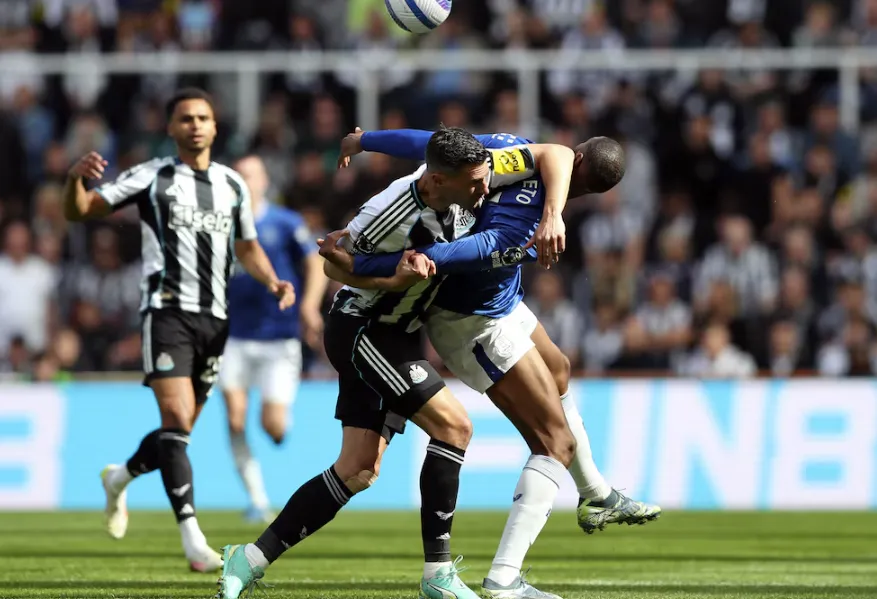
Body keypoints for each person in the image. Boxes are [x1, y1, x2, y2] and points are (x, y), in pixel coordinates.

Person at [215, 127, 578, 599]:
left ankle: (249, 558)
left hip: (400, 335)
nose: (483, 189)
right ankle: (438, 576)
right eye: (473, 184)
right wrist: (391, 281)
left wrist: (364, 139)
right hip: (364, 330)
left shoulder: (477, 168)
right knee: (454, 428)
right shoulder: (389, 214)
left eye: (484, 176)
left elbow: (554, 153)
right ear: (436, 182)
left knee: (357, 469)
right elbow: (333, 265)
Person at [320, 127, 661, 598]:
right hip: (473, 322)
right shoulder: (517, 221)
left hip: (502, 302)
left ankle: (596, 494)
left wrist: (365, 141)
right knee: (554, 442)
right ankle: (503, 579)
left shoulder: (508, 155)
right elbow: (440, 253)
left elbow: (434, 143)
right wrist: (361, 264)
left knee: (558, 368)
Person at [62, 87, 296, 572]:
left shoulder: (232, 184)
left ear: (214, 127)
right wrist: (73, 181)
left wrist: (273, 280)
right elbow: (80, 210)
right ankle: (192, 539)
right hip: (166, 313)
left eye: (203, 118)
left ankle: (120, 477)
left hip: (216, 319)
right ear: (170, 128)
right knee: (176, 419)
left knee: (180, 430)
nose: (194, 125)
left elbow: (247, 246)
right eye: (185, 118)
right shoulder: (151, 176)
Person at [219, 154, 328, 523]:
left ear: (264, 181)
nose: (245, 182)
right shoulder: (221, 223)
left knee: (273, 426)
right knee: (234, 419)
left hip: (279, 338)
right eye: (239, 176)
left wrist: (309, 307)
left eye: (250, 175)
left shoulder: (284, 222)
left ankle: (281, 423)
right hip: (232, 336)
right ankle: (257, 498)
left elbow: (315, 263)